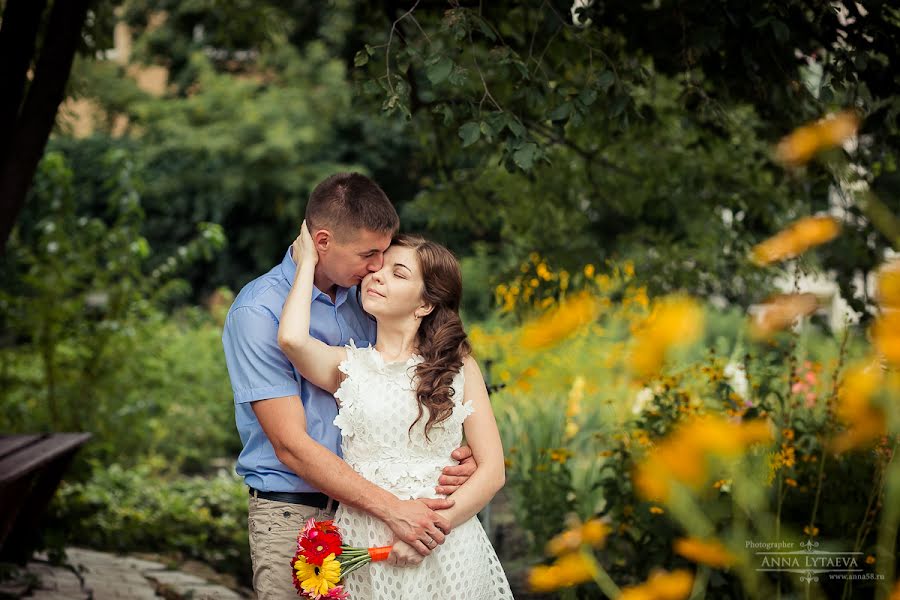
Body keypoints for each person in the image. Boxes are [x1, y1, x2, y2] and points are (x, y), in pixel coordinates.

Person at [221, 173, 476, 599]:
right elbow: (290, 446)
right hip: (296, 513)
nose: (377, 267)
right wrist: (393, 509)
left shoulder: (368, 298)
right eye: (369, 254)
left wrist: (446, 454)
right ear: (322, 242)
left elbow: (405, 388)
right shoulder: (258, 311)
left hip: (370, 514)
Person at [278, 221, 514, 598]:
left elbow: (492, 471)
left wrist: (430, 533)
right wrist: (306, 261)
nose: (377, 276)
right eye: (378, 267)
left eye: (397, 272)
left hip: (445, 542)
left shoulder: (459, 366)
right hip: (364, 537)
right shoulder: (348, 366)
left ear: (424, 303)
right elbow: (290, 338)